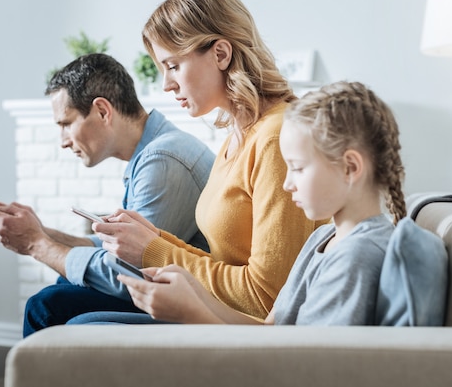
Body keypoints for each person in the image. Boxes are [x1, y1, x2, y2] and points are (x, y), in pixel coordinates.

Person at [65, 0, 326, 326]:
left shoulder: (276, 137)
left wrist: (153, 251)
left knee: (77, 324)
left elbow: (267, 297)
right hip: (218, 312)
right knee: (60, 307)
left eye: (173, 66)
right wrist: (154, 238)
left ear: (220, 53)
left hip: (243, 329)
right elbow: (225, 261)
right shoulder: (239, 135)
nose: (166, 84)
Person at [81, 80, 407, 325]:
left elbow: (303, 366)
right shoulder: (323, 238)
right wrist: (192, 292)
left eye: (298, 168)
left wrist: (193, 313)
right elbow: (270, 330)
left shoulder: (358, 257)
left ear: (350, 167)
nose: (287, 182)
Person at [0, 53, 215, 336]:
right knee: (63, 284)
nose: (64, 141)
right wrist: (41, 231)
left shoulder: (162, 159)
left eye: (66, 123)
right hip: (172, 286)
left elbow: (129, 274)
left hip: (194, 300)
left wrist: (36, 244)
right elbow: (116, 248)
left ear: (103, 111)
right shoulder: (152, 152)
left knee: (44, 306)